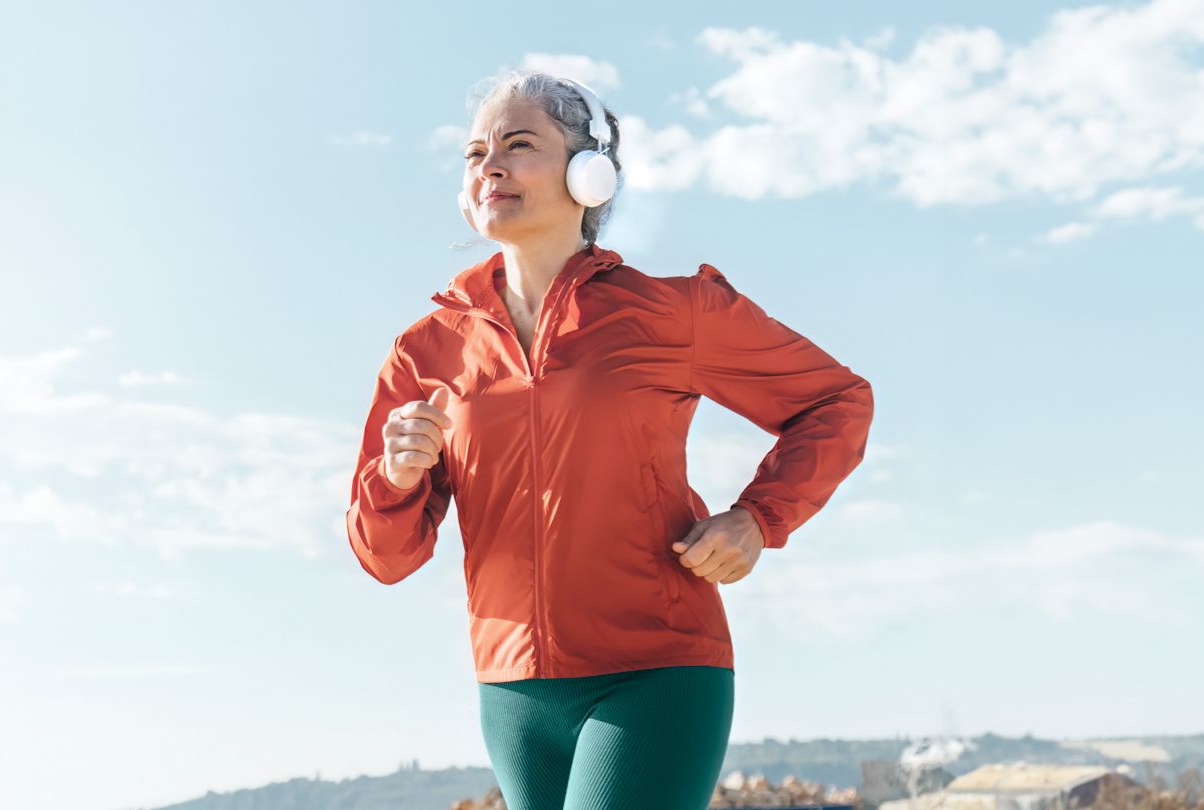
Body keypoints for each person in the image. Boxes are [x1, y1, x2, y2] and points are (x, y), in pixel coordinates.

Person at [345, 70, 875, 810]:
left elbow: (835, 400)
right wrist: (395, 479)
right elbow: (386, 556)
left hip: (655, 669)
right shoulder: (425, 350)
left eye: (518, 144)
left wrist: (760, 517)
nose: (489, 164)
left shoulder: (673, 313)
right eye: (473, 153)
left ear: (588, 173)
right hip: (513, 691)